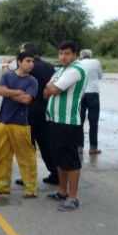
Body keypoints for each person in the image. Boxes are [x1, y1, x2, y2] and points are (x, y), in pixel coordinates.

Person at [44, 41, 87, 211]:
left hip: (68, 122)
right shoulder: (62, 70)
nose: (63, 56)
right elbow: (46, 92)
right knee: (59, 158)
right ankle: (62, 191)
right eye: (61, 53)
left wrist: (51, 85)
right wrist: (51, 86)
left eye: (67, 53)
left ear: (75, 54)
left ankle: (73, 198)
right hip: (55, 119)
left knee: (71, 159)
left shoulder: (76, 70)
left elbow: (53, 90)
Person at [0, 51, 39, 198]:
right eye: (28, 61)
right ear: (19, 62)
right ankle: (1, 186)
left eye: (32, 61)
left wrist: (7, 93)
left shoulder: (32, 81)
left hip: (21, 123)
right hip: (3, 121)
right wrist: (17, 92)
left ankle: (31, 189)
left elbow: (26, 100)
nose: (31, 64)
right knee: (2, 155)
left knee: (26, 156)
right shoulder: (7, 76)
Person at [13, 43, 59, 187]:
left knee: (27, 144)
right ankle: (55, 173)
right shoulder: (49, 67)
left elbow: (15, 82)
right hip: (45, 108)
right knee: (46, 143)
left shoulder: (27, 67)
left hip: (28, 108)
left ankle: (28, 176)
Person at [79, 49, 102, 155]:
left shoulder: (77, 63)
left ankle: (79, 147)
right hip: (93, 93)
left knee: (79, 120)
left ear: (81, 56)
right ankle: (93, 147)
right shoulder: (96, 62)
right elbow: (100, 76)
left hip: (80, 93)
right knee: (93, 121)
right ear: (91, 55)